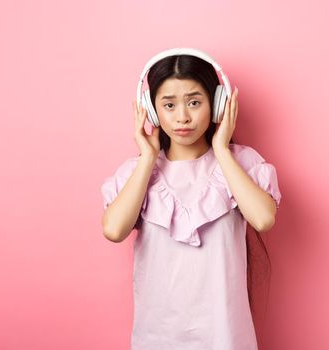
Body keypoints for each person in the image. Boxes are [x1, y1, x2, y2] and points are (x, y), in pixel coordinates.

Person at [101, 48, 282, 350]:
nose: (182, 117)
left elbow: (263, 219)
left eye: (195, 102)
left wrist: (222, 149)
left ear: (218, 103)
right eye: (168, 105)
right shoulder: (138, 173)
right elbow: (114, 230)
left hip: (224, 333)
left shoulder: (241, 163)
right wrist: (148, 157)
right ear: (150, 108)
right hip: (158, 333)